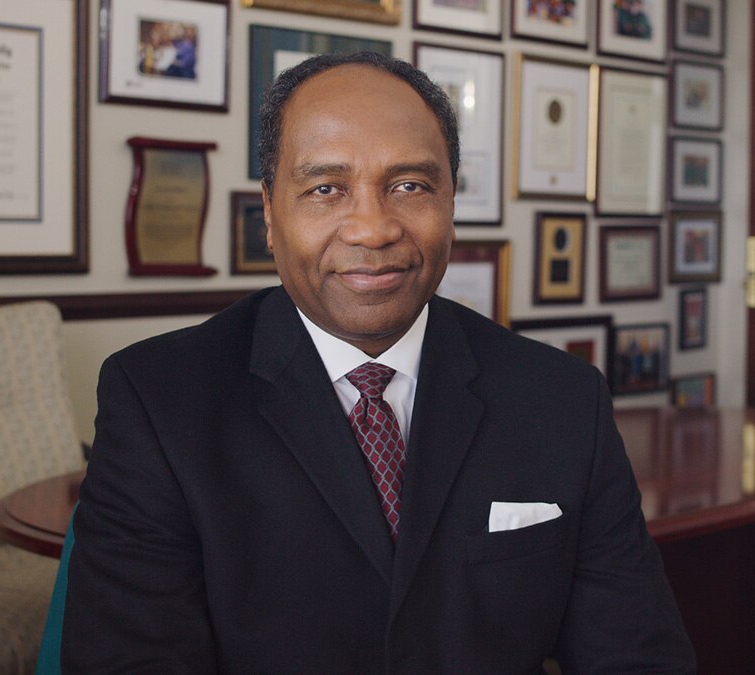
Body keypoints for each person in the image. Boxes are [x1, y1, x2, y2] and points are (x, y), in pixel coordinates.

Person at [60, 51, 695, 673]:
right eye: (325, 188)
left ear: (451, 202)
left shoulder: (562, 398)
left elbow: (636, 653)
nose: (372, 228)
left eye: (409, 186)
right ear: (270, 215)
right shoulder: (157, 400)